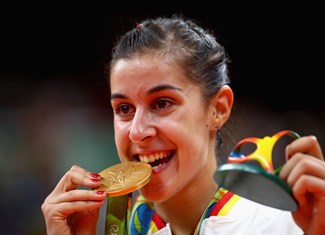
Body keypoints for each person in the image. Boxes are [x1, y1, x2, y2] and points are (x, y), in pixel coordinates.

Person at [41, 14, 325, 234]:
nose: (138, 132)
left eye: (162, 103)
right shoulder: (108, 226)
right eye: (124, 109)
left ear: (218, 109)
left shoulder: (286, 225)